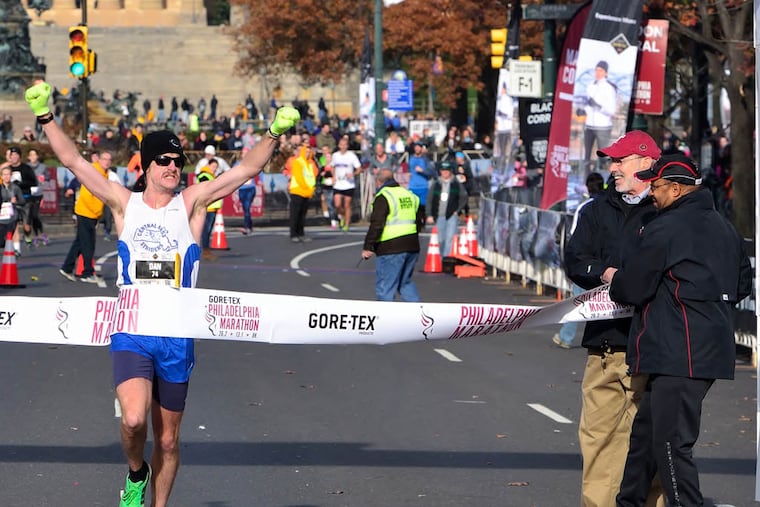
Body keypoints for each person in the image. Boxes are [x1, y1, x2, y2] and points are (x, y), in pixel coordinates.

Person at [25, 80, 300, 507]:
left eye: (177, 161)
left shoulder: (190, 203)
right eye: (164, 160)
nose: (172, 166)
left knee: (169, 440)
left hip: (176, 334)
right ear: (147, 166)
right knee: (134, 421)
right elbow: (74, 161)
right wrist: (45, 117)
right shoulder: (123, 203)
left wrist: (274, 134)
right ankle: (137, 472)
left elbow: (244, 170)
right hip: (132, 329)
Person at [608, 153, 752, 507]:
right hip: (705, 345)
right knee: (646, 436)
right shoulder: (724, 226)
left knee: (672, 444)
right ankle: (629, 502)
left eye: (655, 186)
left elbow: (633, 287)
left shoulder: (665, 227)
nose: (650, 193)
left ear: (675, 188)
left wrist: (614, 278)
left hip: (678, 349)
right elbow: (743, 283)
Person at [563, 130, 665, 507]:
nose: (613, 167)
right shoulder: (596, 209)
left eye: (620, 160)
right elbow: (575, 260)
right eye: (612, 160)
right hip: (604, 344)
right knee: (598, 439)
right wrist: (606, 273)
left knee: (650, 443)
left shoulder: (664, 210)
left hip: (650, 345)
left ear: (645, 163)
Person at [552, 172, 605, 349]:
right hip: (605, 263)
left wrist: (570, 264)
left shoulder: (586, 207)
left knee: (577, 303)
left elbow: (574, 237)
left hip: (586, 262)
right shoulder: (609, 206)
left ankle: (566, 337)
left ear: (587, 188)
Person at [361, 168, 424, 301]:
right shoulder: (409, 194)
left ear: (379, 182)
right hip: (412, 245)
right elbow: (419, 221)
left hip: (391, 247)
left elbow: (377, 224)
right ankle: (419, 317)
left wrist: (368, 247)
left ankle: (386, 320)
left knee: (385, 287)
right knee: (405, 283)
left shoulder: (384, 196)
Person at [59, 151, 108, 283]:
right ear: (99, 159)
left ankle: (67, 268)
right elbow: (87, 195)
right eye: (104, 159)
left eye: (109, 159)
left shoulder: (104, 173)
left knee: (80, 242)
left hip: (90, 213)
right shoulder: (95, 172)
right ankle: (87, 272)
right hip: (86, 212)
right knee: (88, 244)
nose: (107, 162)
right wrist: (95, 213)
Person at [425, 160, 467, 258]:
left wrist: (458, 210)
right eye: (443, 170)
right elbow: (429, 199)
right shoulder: (436, 184)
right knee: (440, 239)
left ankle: (446, 259)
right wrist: (429, 214)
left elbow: (464, 197)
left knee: (450, 238)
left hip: (451, 215)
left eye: (447, 170)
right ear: (440, 171)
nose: (445, 173)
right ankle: (439, 258)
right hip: (439, 215)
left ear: (451, 171)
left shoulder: (456, 183)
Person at [583, 60, 617, 172]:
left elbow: (611, 110)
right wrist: (583, 110)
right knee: (586, 157)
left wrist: (598, 106)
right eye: (596, 70)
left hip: (603, 126)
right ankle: (586, 182)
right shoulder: (590, 86)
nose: (597, 72)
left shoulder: (609, 88)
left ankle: (605, 182)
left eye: (600, 70)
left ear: (605, 73)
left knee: (604, 157)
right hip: (589, 125)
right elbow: (588, 104)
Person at [284, 140, 318, 242]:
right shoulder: (298, 162)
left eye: (309, 152)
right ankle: (293, 234)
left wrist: (310, 189)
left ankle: (301, 233)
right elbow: (299, 177)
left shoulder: (311, 163)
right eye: (306, 151)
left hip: (307, 192)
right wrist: (307, 187)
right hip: (297, 190)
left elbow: (314, 174)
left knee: (303, 214)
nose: (308, 153)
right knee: (295, 214)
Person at [331, 136, 362, 232]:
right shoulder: (335, 155)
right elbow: (332, 166)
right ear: (339, 146)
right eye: (341, 145)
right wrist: (333, 176)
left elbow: (359, 169)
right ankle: (343, 216)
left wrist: (352, 174)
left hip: (349, 184)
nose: (343, 147)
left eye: (345, 145)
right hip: (338, 183)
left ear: (347, 146)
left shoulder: (351, 156)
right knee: (337, 204)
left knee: (347, 205)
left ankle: (347, 224)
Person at [196, 159, 222, 260]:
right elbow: (206, 188)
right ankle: (205, 250)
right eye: (213, 166)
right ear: (208, 165)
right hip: (208, 207)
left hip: (212, 206)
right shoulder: (205, 175)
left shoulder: (212, 175)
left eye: (216, 166)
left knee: (208, 229)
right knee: (206, 230)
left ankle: (206, 249)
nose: (214, 168)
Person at [26, 148, 49, 247]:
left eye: (34, 155)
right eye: (31, 155)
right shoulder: (26, 167)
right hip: (28, 193)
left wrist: (44, 178)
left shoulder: (42, 167)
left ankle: (41, 234)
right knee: (30, 216)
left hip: (38, 193)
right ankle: (36, 235)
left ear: (37, 156)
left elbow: (48, 177)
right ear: (28, 157)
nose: (33, 157)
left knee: (35, 215)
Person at [0, 166, 25, 243]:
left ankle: (16, 251)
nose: (6, 177)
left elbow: (22, 201)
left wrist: (16, 202)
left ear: (11, 175)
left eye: (8, 174)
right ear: (1, 176)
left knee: (10, 236)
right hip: (1, 217)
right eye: (4, 175)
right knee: (1, 241)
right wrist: (6, 201)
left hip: (12, 216)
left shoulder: (15, 188)